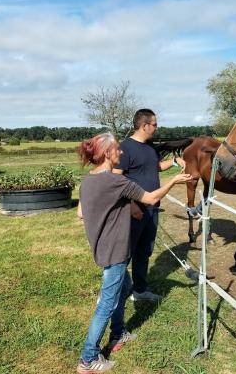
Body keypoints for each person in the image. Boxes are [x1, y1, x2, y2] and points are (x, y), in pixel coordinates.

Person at [76, 132, 191, 374]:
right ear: (108, 153)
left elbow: (81, 213)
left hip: (102, 247)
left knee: (125, 286)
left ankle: (118, 333)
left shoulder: (88, 180)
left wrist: (114, 208)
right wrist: (173, 181)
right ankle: (88, 359)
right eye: (117, 149)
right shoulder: (116, 182)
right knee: (106, 303)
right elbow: (150, 198)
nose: (120, 152)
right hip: (115, 250)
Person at [113, 109, 186, 301]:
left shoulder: (150, 147)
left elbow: (156, 166)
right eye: (154, 124)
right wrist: (130, 205)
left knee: (144, 250)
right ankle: (110, 293)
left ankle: (139, 290)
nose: (157, 127)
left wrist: (175, 161)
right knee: (125, 253)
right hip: (134, 209)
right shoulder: (125, 148)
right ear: (144, 125)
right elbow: (115, 180)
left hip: (152, 208)